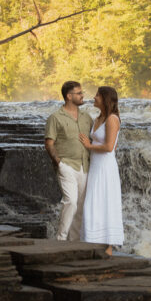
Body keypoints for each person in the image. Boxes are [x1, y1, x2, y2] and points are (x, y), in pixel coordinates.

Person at [44, 80, 93, 240]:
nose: (82, 95)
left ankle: (74, 241)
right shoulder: (55, 117)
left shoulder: (87, 117)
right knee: (70, 201)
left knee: (80, 207)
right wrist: (59, 162)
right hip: (67, 165)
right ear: (69, 96)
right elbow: (49, 143)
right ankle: (61, 239)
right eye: (79, 93)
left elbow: (93, 140)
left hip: (84, 166)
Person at [79, 86, 124, 256]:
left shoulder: (112, 119)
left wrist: (89, 146)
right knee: (93, 205)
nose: (94, 97)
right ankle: (94, 246)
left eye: (97, 95)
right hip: (96, 166)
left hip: (105, 168)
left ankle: (107, 248)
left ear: (105, 98)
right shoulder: (99, 117)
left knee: (101, 204)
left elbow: (110, 146)